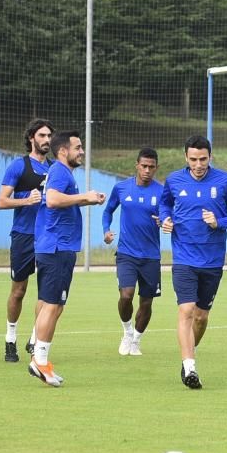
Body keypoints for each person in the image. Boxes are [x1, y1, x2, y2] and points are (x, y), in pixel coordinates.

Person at [160, 135, 227, 389]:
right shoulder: (174, 180)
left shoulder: (225, 181)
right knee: (186, 310)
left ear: (210, 157)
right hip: (184, 258)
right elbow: (165, 205)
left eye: (203, 159)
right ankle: (190, 367)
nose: (199, 164)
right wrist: (166, 219)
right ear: (185, 157)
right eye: (194, 159)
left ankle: (189, 353)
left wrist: (219, 222)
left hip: (212, 260)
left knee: (201, 317)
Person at [27, 131, 106, 386]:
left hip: (56, 247)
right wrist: (85, 197)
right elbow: (52, 200)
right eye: (78, 147)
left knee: (52, 305)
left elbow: (60, 202)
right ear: (63, 151)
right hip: (57, 248)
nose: (81, 151)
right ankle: (39, 361)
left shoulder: (63, 174)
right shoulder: (61, 172)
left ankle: (39, 357)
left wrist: (88, 200)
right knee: (53, 305)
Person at [0, 119, 53, 363]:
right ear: (31, 138)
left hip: (47, 237)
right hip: (23, 236)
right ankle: (10, 339)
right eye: (42, 135)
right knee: (18, 291)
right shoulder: (19, 166)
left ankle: (34, 339)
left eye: (49, 135)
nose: (47, 140)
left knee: (46, 293)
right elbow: (1, 201)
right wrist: (26, 201)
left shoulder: (55, 170)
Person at [102, 148, 164, 356]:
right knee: (126, 295)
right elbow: (108, 210)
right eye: (144, 166)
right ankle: (127, 332)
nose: (147, 170)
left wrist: (163, 220)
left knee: (146, 302)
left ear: (156, 168)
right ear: (136, 165)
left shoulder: (162, 192)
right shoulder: (121, 188)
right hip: (127, 253)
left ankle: (136, 340)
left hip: (151, 257)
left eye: (151, 167)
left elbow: (169, 215)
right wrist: (106, 230)